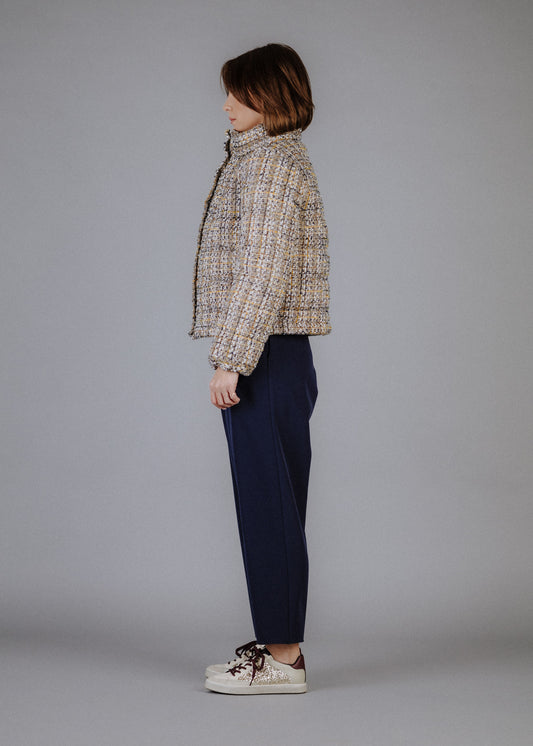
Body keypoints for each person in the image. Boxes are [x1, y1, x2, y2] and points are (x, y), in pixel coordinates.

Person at [188, 42, 331, 694]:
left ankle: (281, 658)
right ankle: (279, 647)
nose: (226, 105)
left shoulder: (271, 163)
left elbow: (263, 268)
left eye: (237, 93)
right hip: (275, 351)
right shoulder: (267, 157)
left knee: (268, 504)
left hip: (266, 353)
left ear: (269, 97)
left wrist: (232, 360)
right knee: (272, 501)